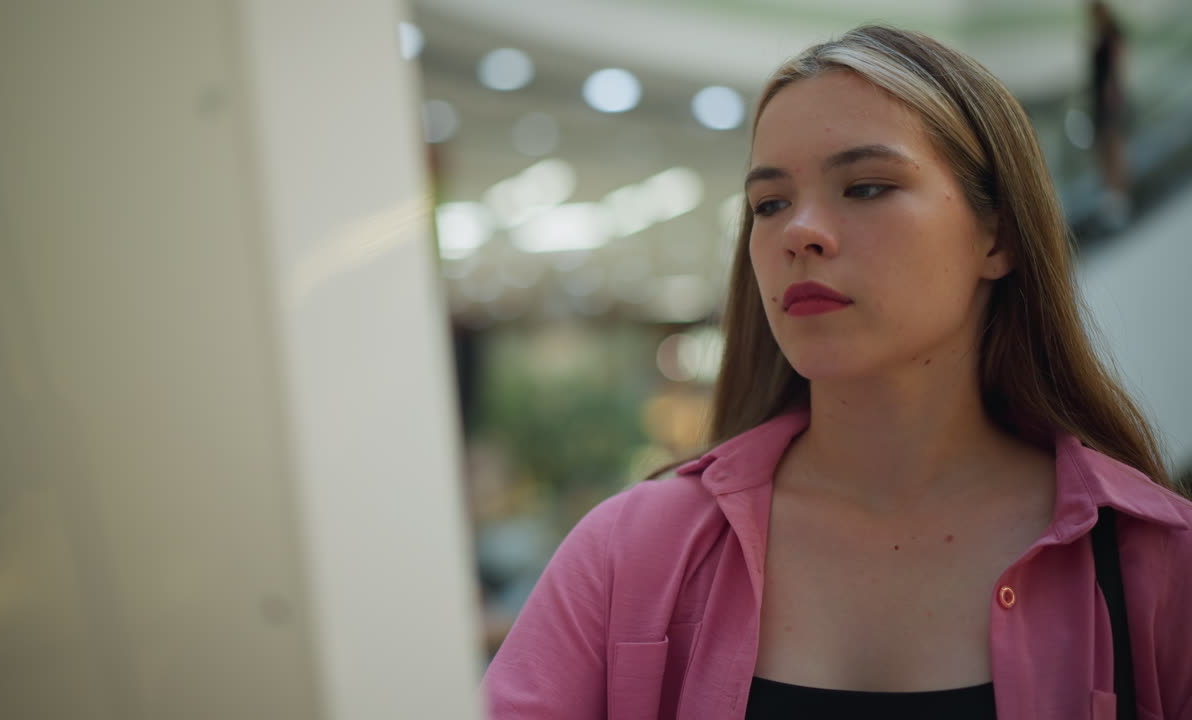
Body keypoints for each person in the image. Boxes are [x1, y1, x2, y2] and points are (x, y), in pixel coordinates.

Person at [482, 25, 1192, 719]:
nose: (799, 232)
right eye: (769, 204)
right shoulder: (631, 556)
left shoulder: (1157, 567)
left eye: (866, 187)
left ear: (998, 234)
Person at [1089, 1, 1131, 229]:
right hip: (1099, 98)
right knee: (1105, 150)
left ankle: (1120, 201)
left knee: (1114, 148)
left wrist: (1114, 91)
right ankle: (1112, 200)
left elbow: (1119, 64)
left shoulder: (1113, 34)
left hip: (1109, 100)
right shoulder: (1099, 35)